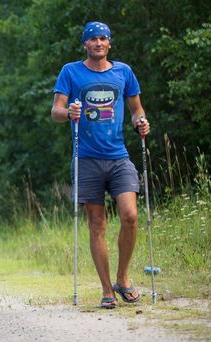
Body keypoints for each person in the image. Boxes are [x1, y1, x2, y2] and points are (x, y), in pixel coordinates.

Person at [51, 22, 150, 309]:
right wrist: (68, 112)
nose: (98, 43)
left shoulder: (124, 72)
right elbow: (56, 111)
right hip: (87, 158)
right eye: (93, 38)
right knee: (97, 224)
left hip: (118, 156)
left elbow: (136, 109)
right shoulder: (71, 72)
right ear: (85, 43)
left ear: (109, 44)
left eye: (103, 38)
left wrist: (140, 122)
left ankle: (123, 278)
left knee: (130, 215)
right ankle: (107, 291)